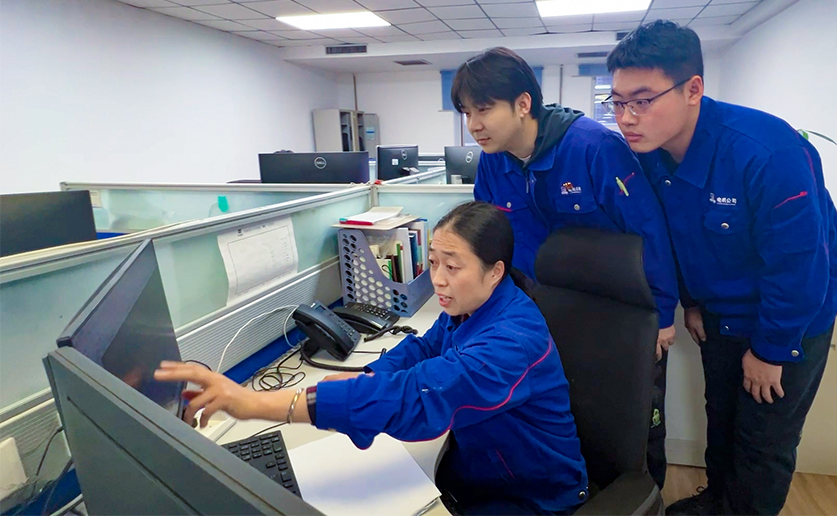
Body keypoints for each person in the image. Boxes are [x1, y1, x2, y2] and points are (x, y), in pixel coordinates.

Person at [155, 201, 589, 515]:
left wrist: (257, 404)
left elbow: (420, 396)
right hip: (482, 468)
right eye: (433, 262)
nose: (438, 279)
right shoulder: (473, 307)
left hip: (533, 496)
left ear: (494, 271)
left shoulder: (513, 341)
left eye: (453, 267)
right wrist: (365, 376)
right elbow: (422, 349)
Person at [605, 21, 837, 516]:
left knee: (763, 440)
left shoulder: (766, 151)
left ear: (693, 89)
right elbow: (674, 237)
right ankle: (717, 502)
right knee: (721, 420)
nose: (627, 117)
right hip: (720, 313)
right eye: (618, 102)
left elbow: (801, 265)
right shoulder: (651, 154)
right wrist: (692, 302)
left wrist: (771, 350)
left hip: (787, 322)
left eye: (643, 100)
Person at [452, 47, 677, 488]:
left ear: (523, 104)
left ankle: (646, 501)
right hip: (541, 310)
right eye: (466, 112)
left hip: (618, 313)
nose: (473, 124)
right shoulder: (493, 162)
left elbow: (647, 230)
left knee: (634, 423)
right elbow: (488, 236)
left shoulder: (593, 147)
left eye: (483, 109)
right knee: (564, 415)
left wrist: (664, 313)